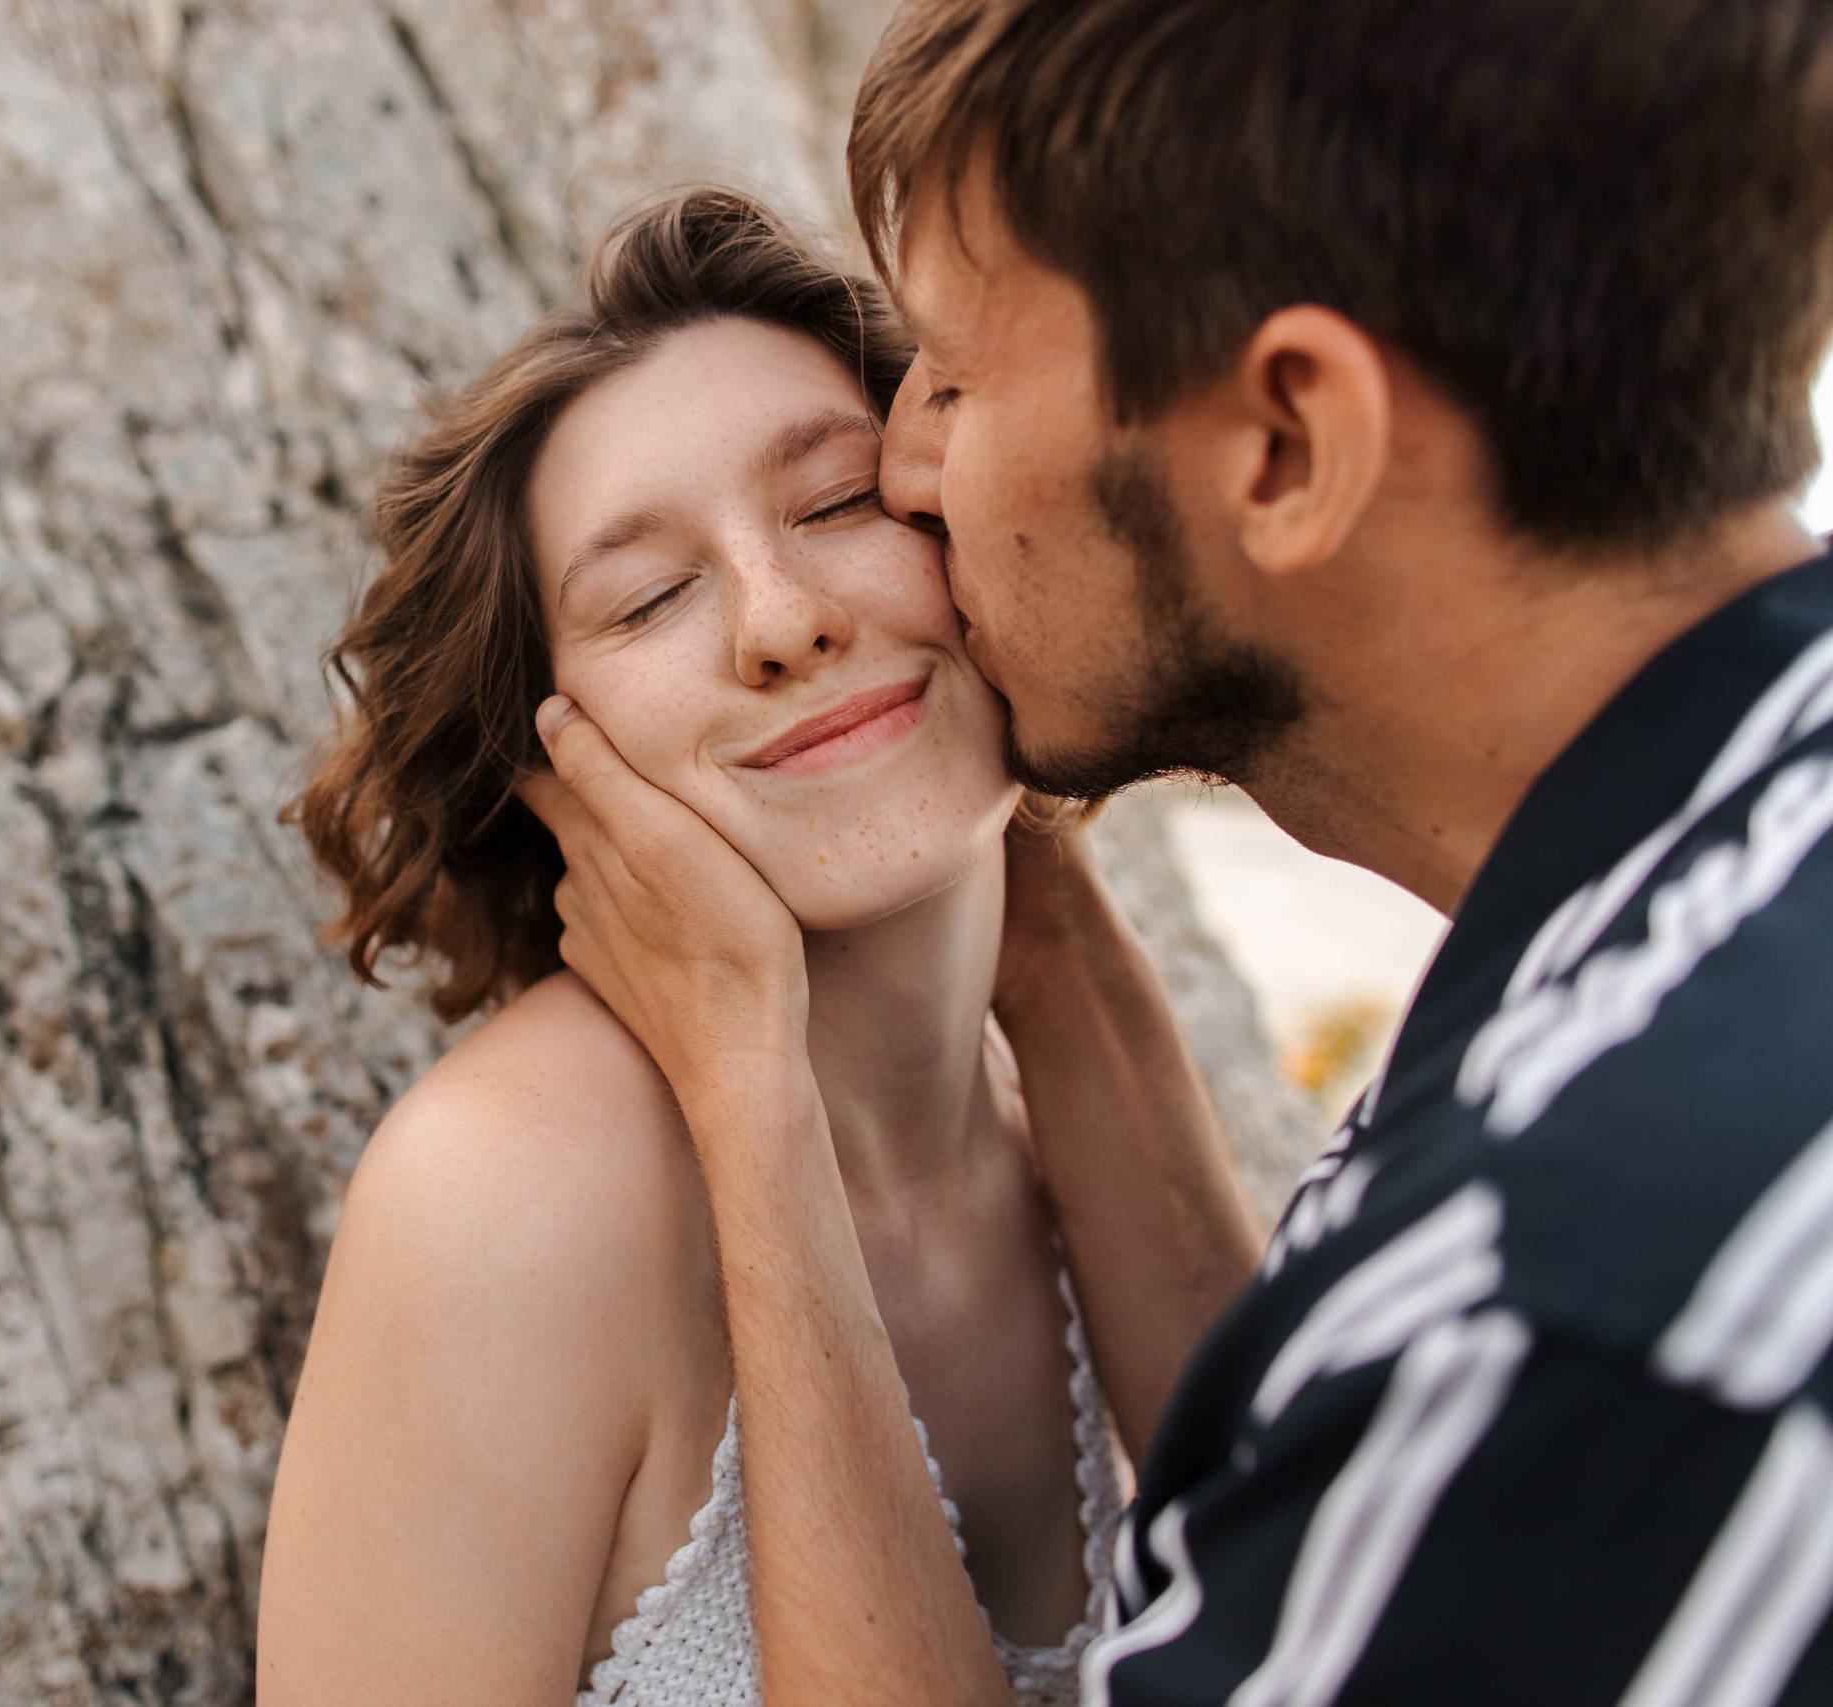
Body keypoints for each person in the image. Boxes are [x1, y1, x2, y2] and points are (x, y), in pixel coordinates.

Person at [523, 1, 1833, 1703]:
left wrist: (748, 1092)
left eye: (960, 380)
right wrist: (1044, 952)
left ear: (1288, 445)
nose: (912, 469)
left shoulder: (1561, 1320)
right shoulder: (1678, 947)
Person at [253, 189, 1259, 1706]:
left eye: (841, 503)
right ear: (546, 765)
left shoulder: (1051, 1115)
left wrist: (1043, 867)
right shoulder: (506, 1197)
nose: (780, 624)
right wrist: (750, 1086)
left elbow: (1329, 1610)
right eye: (650, 596)